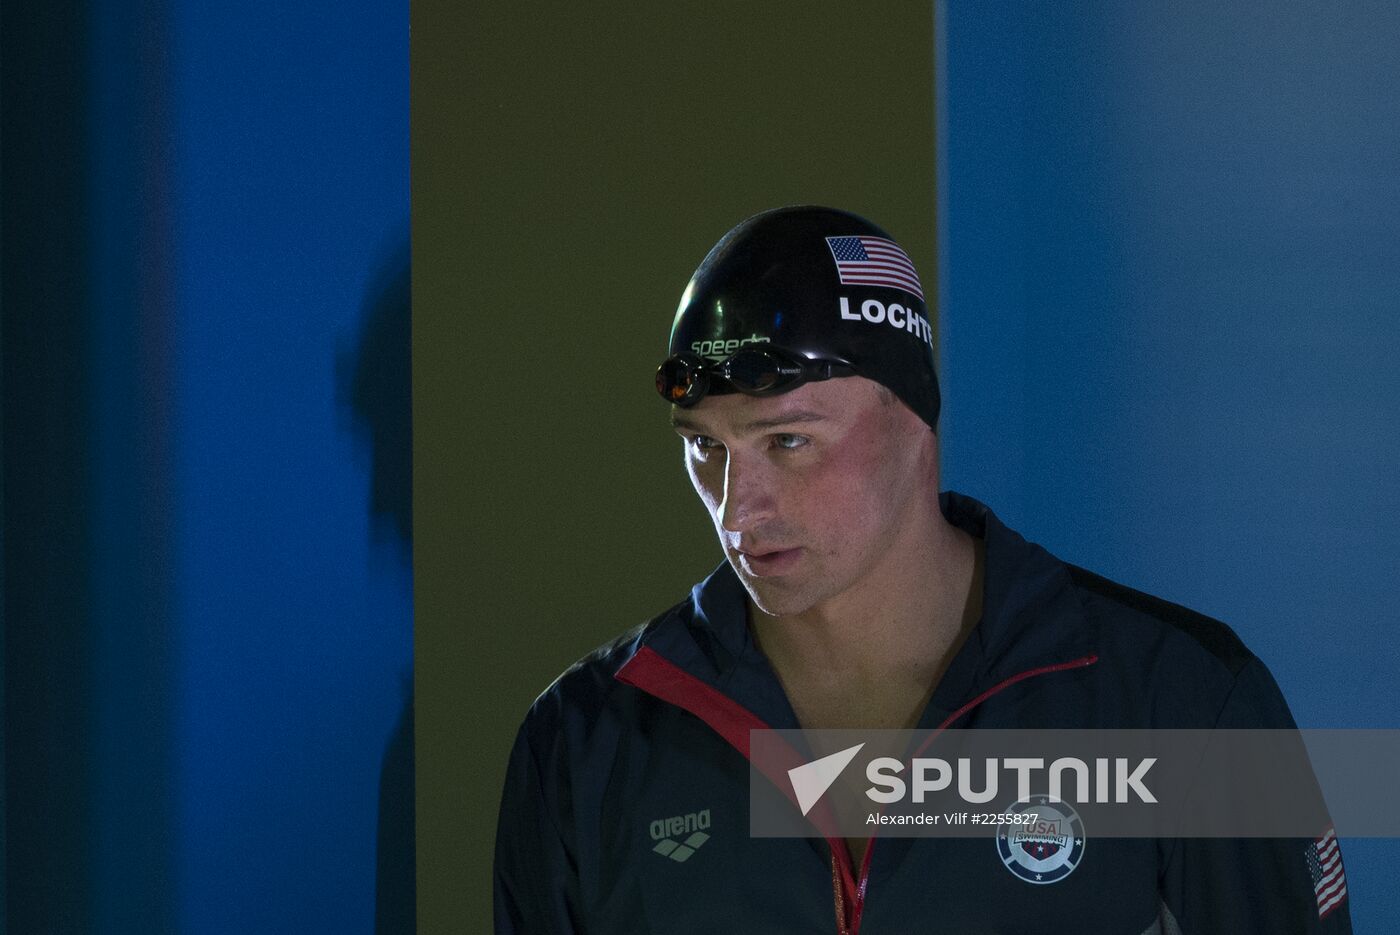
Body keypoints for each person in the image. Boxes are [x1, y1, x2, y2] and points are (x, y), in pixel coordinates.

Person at [493, 206, 1351, 933]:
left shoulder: (1187, 704)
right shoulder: (584, 739)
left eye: (788, 441)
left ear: (914, 423)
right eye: (706, 449)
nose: (736, 507)